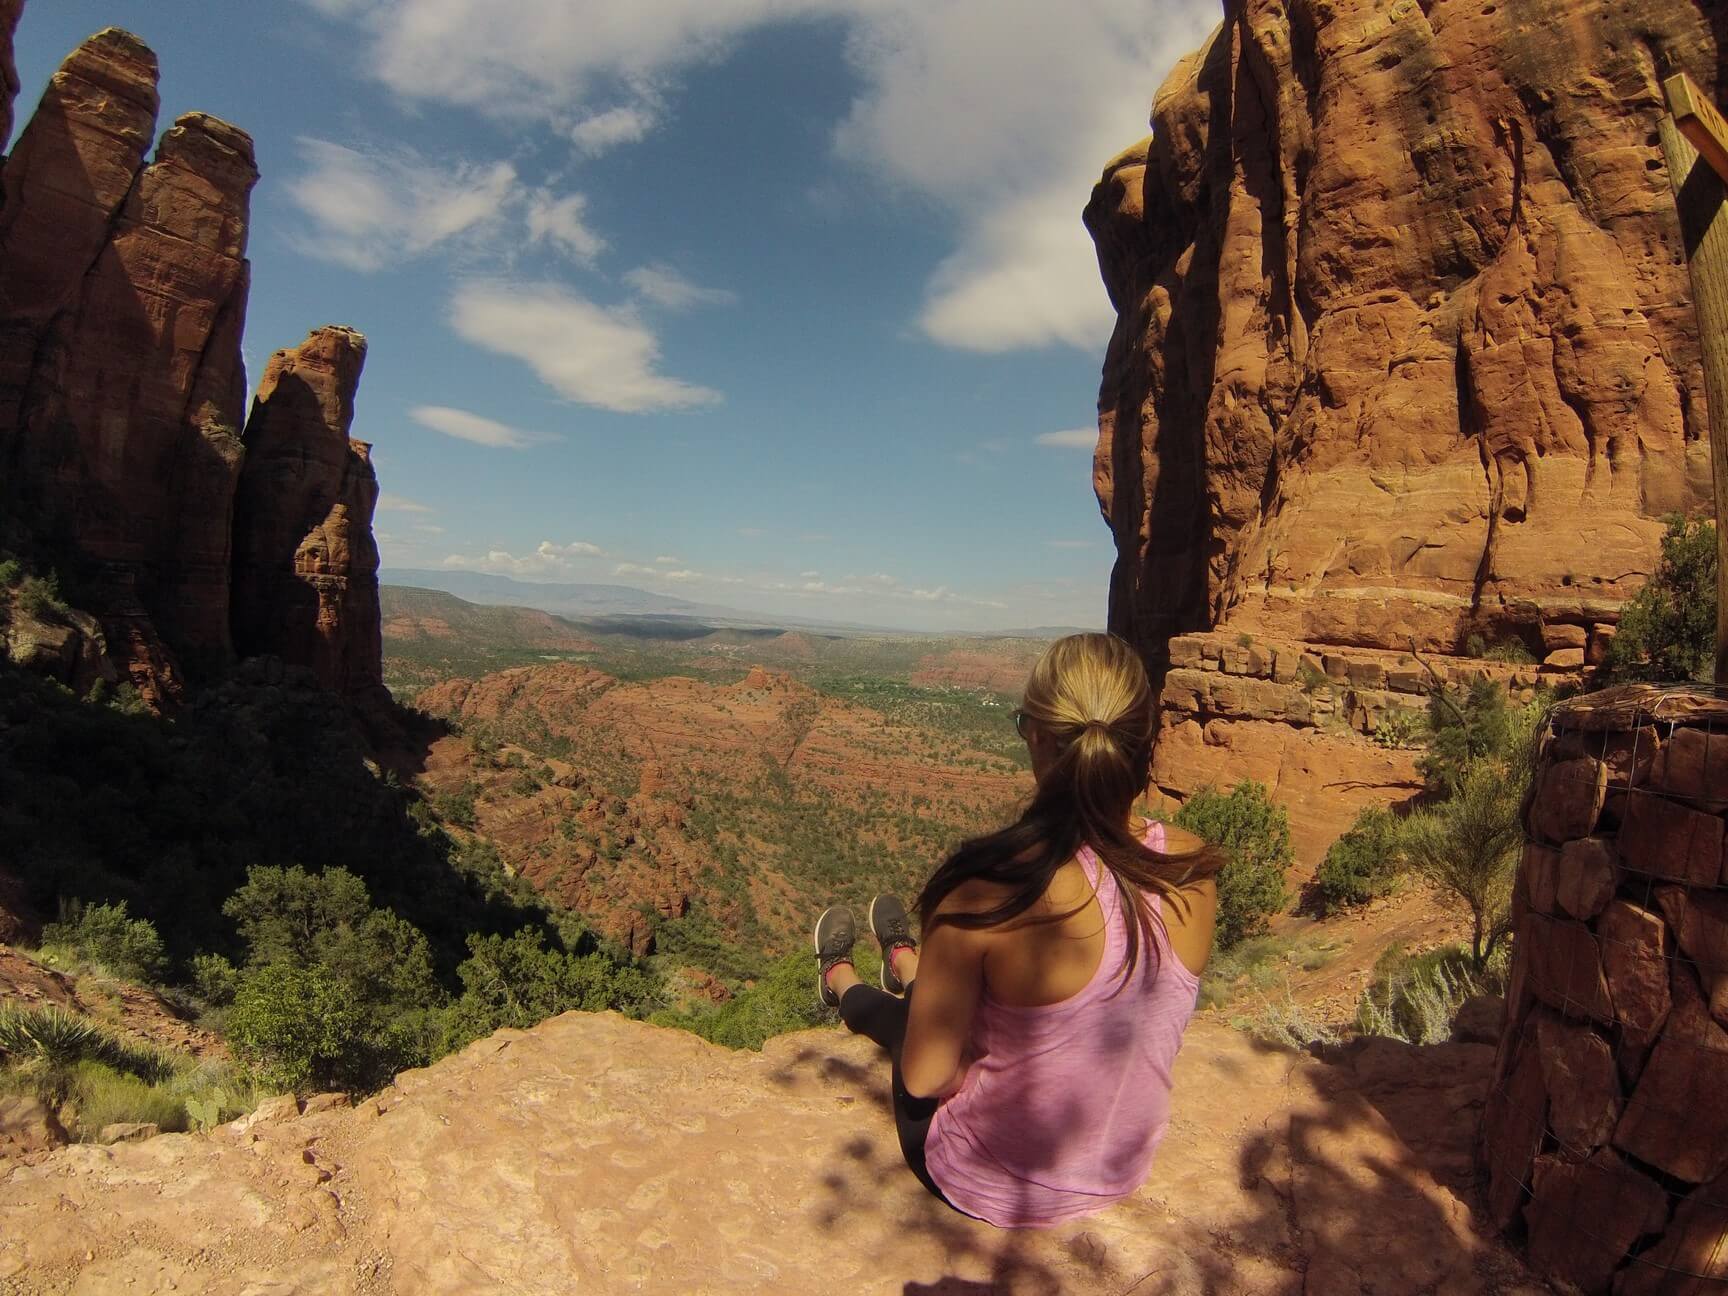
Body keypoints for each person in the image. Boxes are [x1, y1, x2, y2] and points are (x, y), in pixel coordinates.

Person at [812, 631, 1223, 1228]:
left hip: (985, 1179)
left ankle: (842, 981)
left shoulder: (986, 888)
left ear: (1036, 735)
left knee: (911, 1029)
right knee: (949, 1003)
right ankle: (905, 962)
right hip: (1120, 1169)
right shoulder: (1191, 866)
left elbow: (927, 1080)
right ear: (1144, 739)